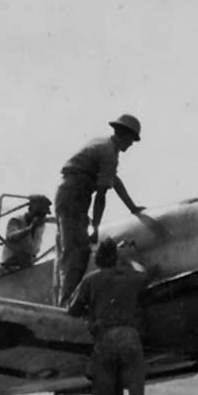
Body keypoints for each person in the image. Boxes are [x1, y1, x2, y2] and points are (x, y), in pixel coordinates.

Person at [67, 238, 158, 395]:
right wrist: (129, 258)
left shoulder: (92, 280)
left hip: (104, 343)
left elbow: (72, 309)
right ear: (116, 257)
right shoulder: (132, 276)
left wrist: (92, 313)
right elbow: (150, 274)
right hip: (130, 341)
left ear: (98, 258)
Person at [54, 114, 146, 306]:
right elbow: (101, 196)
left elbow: (114, 181)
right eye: (131, 140)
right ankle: (67, 303)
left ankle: (64, 299)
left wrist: (132, 207)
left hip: (70, 195)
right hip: (75, 197)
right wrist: (95, 227)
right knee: (78, 251)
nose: (131, 145)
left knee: (68, 249)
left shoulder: (103, 144)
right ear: (124, 135)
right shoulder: (108, 153)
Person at [1, 194, 54, 269]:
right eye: (40, 214)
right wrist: (30, 228)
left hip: (28, 265)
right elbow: (11, 237)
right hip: (11, 266)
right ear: (31, 210)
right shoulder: (16, 220)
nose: (42, 217)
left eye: (44, 215)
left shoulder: (41, 225)